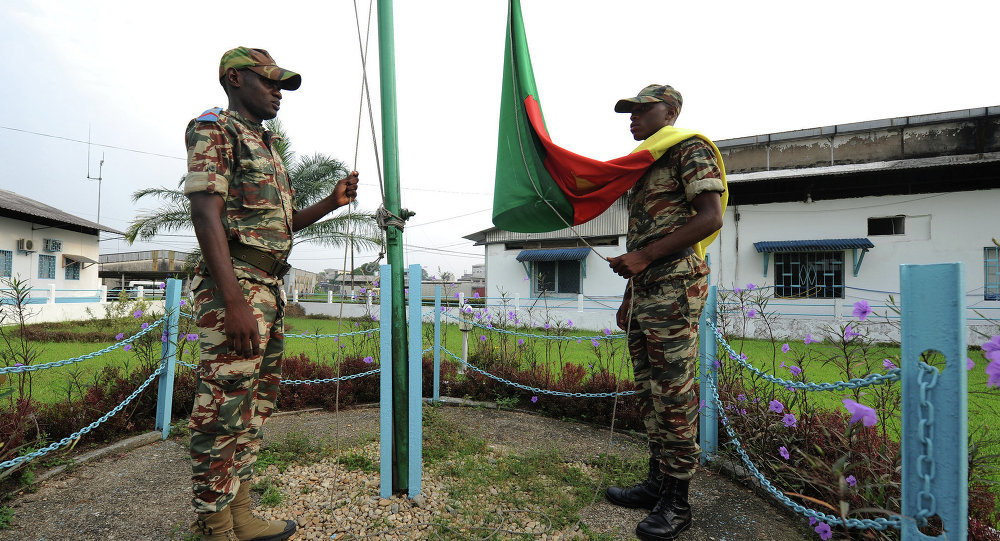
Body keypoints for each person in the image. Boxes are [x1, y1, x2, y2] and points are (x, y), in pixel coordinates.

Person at [184, 46, 359, 541]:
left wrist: (330, 201)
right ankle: (215, 527)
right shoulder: (214, 128)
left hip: (268, 288)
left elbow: (279, 225)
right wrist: (234, 299)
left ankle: (240, 515)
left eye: (281, 85)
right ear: (235, 79)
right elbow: (205, 212)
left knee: (252, 407)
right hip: (236, 291)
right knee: (221, 411)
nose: (278, 92)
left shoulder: (264, 141)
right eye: (270, 82)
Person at [605, 84, 724, 541]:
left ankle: (677, 502)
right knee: (651, 389)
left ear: (669, 111)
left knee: (674, 394)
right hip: (647, 291)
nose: (632, 117)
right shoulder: (645, 165)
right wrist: (629, 292)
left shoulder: (687, 149)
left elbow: (710, 216)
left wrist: (646, 257)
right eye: (629, 112)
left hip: (675, 287)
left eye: (641, 109)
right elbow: (643, 239)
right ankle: (657, 481)